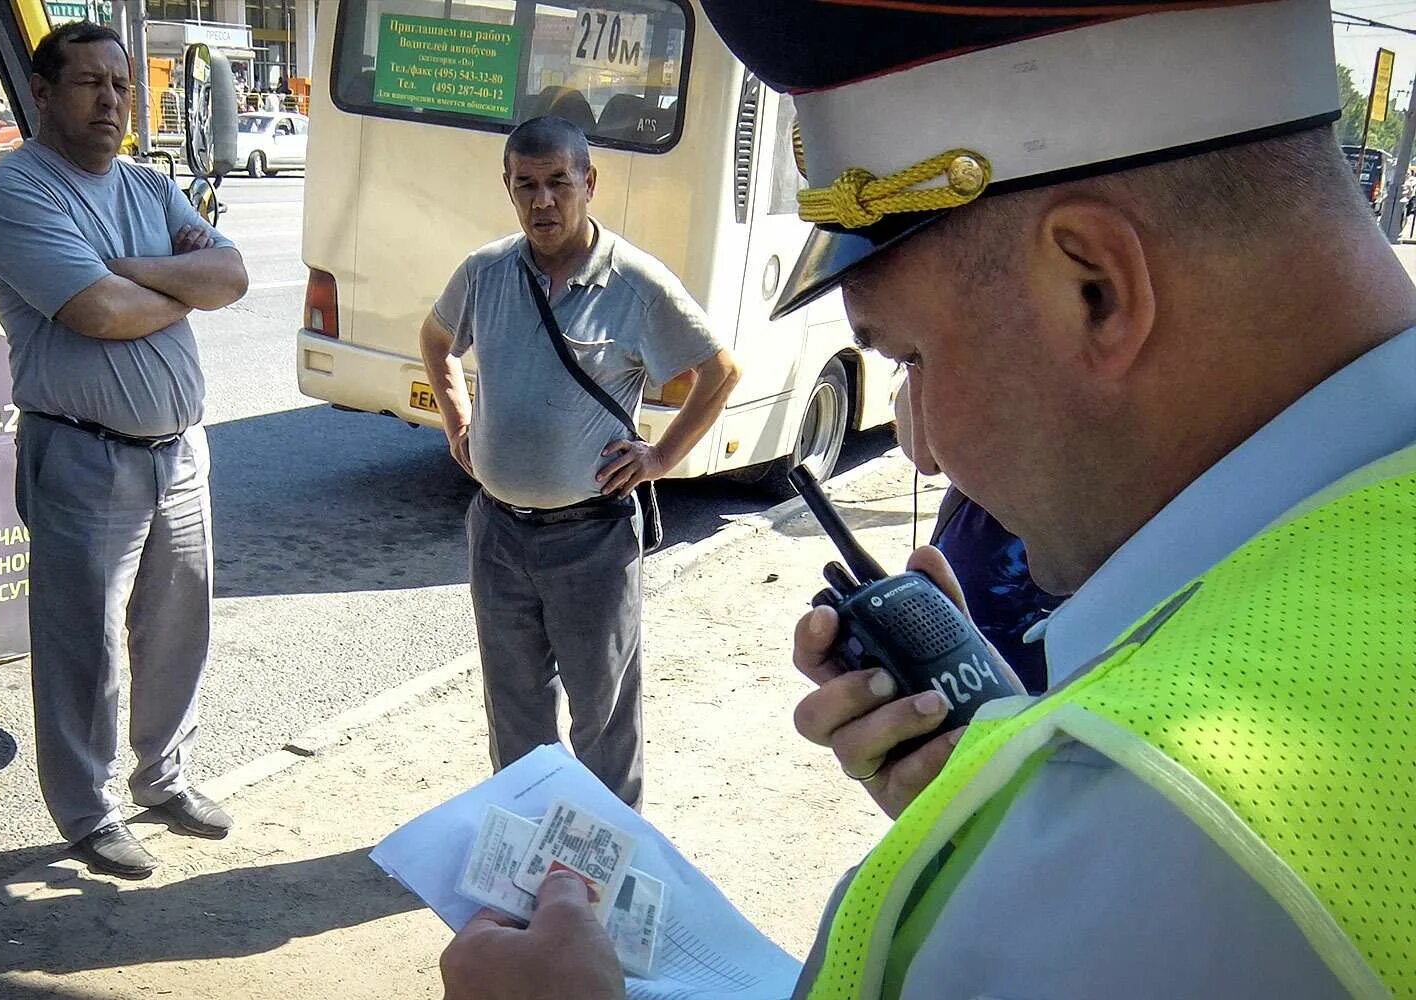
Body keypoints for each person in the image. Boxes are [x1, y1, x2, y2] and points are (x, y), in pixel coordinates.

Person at [437, 0, 1416, 996]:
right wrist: (1009, 768)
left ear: (1096, 289)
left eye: (910, 357)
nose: (929, 446)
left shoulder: (1156, 829)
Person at [0, 21, 249, 880]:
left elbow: (232, 278)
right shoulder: (17, 190)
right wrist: (174, 281)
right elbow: (99, 314)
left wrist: (125, 268)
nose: (111, 101)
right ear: (44, 95)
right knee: (81, 645)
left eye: (122, 87)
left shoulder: (146, 183)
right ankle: (89, 815)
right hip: (83, 454)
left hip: (180, 453)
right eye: (90, 84)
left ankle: (163, 779)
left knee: (178, 630)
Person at [419, 115, 741, 809]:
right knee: (514, 711)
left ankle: (606, 854)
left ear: (588, 184)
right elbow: (437, 339)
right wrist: (458, 422)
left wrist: (659, 456)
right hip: (499, 533)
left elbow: (718, 373)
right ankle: (530, 839)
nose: (542, 202)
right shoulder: (486, 271)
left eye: (558, 183)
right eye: (525, 185)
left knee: (604, 715)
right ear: (507, 188)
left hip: (591, 539)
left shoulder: (635, 282)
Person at [895, 374, 1059, 693]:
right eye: (910, 360)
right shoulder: (983, 489)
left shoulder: (1074, 514)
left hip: (1036, 722)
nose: (926, 462)